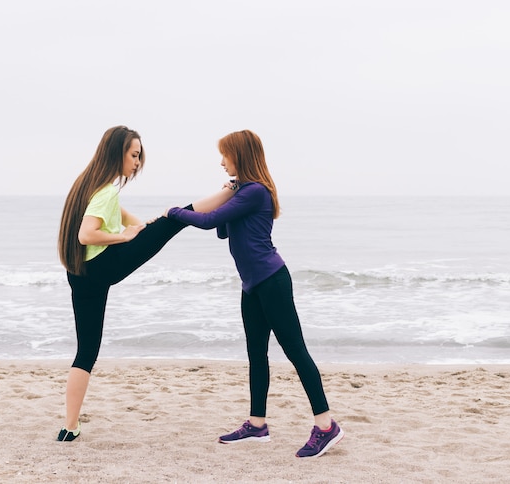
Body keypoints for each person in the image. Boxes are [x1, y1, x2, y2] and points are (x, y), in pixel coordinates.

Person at [165, 129, 344, 458]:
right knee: (257, 356)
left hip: (272, 281)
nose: (221, 162)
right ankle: (257, 424)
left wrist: (174, 212)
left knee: (295, 352)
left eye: (225, 155)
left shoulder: (256, 192)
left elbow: (206, 222)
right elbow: (221, 231)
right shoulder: (243, 192)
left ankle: (326, 426)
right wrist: (226, 196)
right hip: (252, 285)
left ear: (241, 156)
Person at [56, 125, 234, 441]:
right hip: (102, 266)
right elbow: (87, 234)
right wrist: (123, 236)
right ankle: (233, 190)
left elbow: (131, 221)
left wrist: (141, 228)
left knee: (86, 352)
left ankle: (69, 426)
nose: (137, 163)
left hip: (80, 274)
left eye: (139, 157)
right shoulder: (106, 190)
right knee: (174, 219)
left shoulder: (88, 186)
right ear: (117, 152)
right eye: (134, 155)